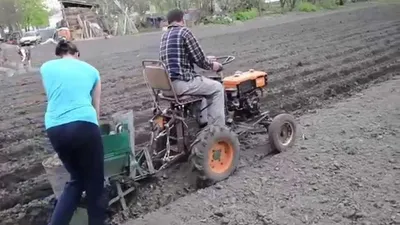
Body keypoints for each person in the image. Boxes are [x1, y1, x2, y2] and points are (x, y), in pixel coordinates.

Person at [40, 40, 107, 225]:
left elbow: (53, 96)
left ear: (59, 53)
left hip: (55, 128)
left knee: (77, 180)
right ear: (77, 54)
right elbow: (96, 109)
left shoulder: (46, 68)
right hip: (84, 124)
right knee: (95, 184)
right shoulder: (92, 71)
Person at [160, 9, 224, 127]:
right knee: (217, 88)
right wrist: (215, 66)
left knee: (202, 85)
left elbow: (183, 56)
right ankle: (218, 130)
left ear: (169, 22)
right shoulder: (184, 32)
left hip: (166, 87)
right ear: (182, 19)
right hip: (180, 84)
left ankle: (203, 123)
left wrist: (207, 58)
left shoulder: (165, 36)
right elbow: (200, 60)